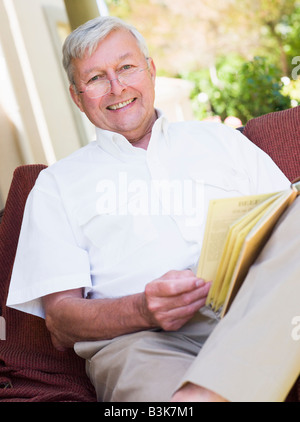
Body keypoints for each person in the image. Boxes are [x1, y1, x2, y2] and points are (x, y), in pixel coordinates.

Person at [6, 16, 297, 402]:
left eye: (126, 67)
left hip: (255, 311)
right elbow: (60, 322)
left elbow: (288, 226)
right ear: (77, 97)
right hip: (140, 344)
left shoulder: (220, 140)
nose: (117, 87)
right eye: (95, 78)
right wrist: (142, 309)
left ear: (151, 71)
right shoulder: (54, 186)